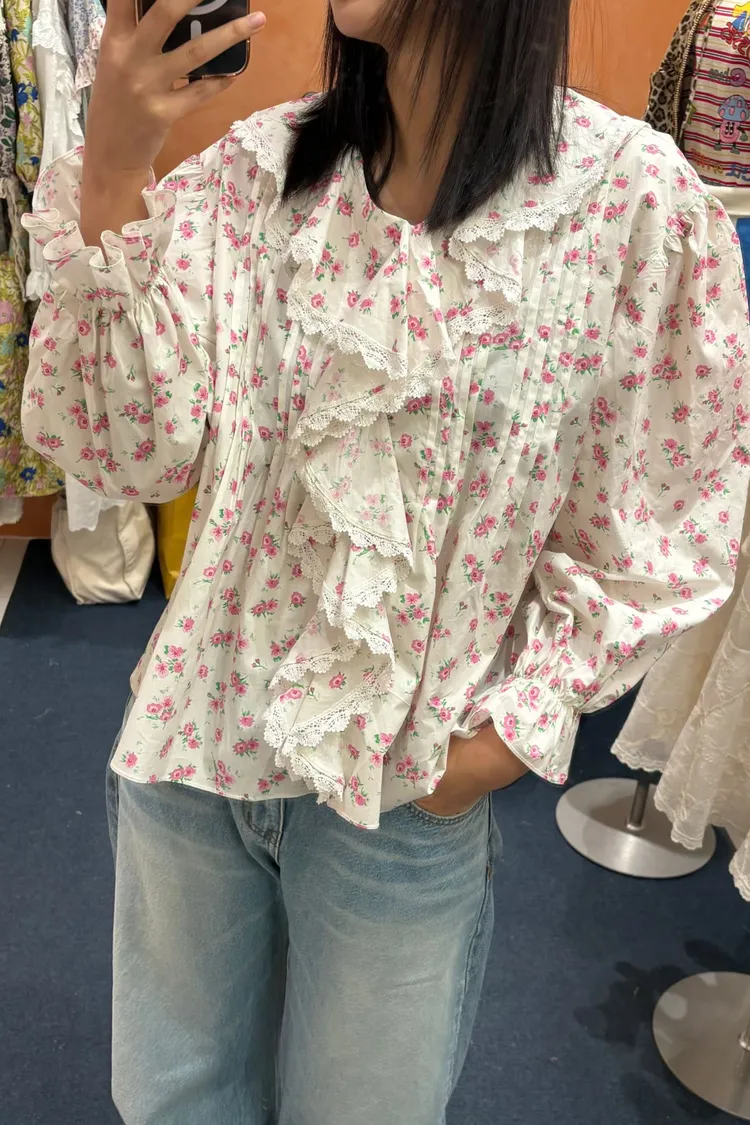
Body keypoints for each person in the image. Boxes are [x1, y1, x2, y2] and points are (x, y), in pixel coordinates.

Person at [21, 0, 750, 1121]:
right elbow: (122, 448)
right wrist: (116, 167)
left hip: (404, 793)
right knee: (173, 1106)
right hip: (193, 752)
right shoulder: (262, 172)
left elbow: (672, 523)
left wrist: (502, 741)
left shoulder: (629, 202)